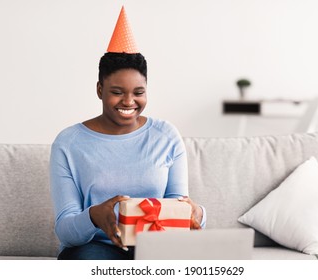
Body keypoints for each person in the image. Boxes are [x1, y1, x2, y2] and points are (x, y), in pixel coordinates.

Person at [50, 7, 206, 260]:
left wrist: (196, 213)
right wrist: (93, 217)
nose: (129, 101)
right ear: (100, 90)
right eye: (117, 91)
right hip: (95, 248)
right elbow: (66, 232)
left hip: (155, 247)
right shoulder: (68, 143)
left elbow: (178, 207)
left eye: (138, 92)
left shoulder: (165, 135)